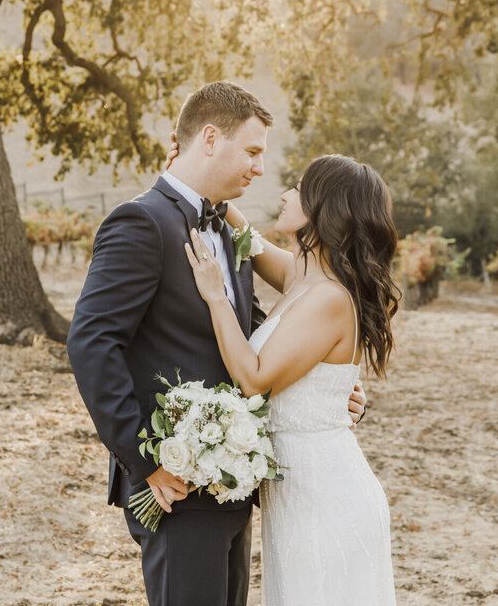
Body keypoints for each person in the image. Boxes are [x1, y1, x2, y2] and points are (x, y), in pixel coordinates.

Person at [66, 81, 364, 606]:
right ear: (209, 139)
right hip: (176, 483)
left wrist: (325, 381)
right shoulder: (142, 222)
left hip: (234, 481)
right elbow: (92, 342)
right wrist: (147, 459)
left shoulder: (227, 231)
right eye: (251, 151)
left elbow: (258, 335)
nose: (258, 168)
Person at [183, 153, 400, 605]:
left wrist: (216, 296)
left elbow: (255, 379)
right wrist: (200, 175)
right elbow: (249, 240)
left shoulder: (330, 297)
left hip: (325, 498)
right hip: (295, 496)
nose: (284, 195)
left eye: (298, 189)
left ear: (326, 207)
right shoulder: (305, 276)